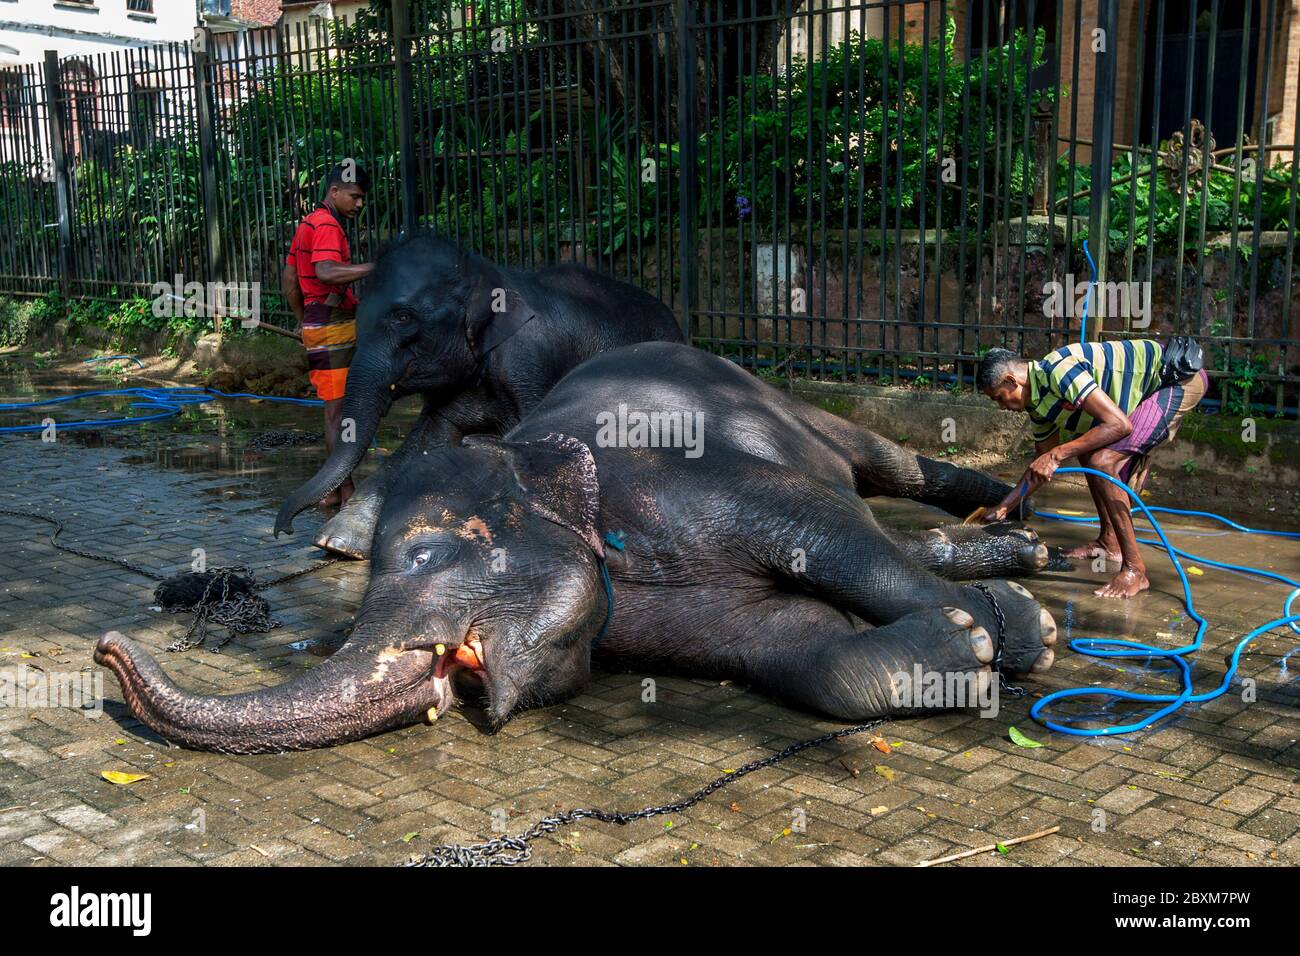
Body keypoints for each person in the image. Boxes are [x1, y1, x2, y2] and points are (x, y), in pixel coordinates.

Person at [977, 338, 1207, 599]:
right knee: (1088, 453)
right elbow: (1041, 466)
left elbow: (1119, 425)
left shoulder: (1057, 370)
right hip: (1152, 389)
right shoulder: (1038, 406)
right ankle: (1109, 543)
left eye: (999, 398)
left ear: (1011, 381)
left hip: (1177, 379)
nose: (1001, 406)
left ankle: (1135, 570)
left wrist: (1058, 453)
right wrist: (1004, 507)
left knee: (1102, 461)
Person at [281, 162, 374, 507]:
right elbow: (327, 271)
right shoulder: (326, 226)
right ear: (334, 192)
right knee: (339, 414)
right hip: (332, 323)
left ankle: (335, 489)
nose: (359, 204)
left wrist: (305, 323)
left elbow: (289, 281)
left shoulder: (308, 224)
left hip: (320, 322)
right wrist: (375, 267)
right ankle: (341, 488)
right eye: (355, 196)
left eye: (362, 198)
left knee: (335, 411)